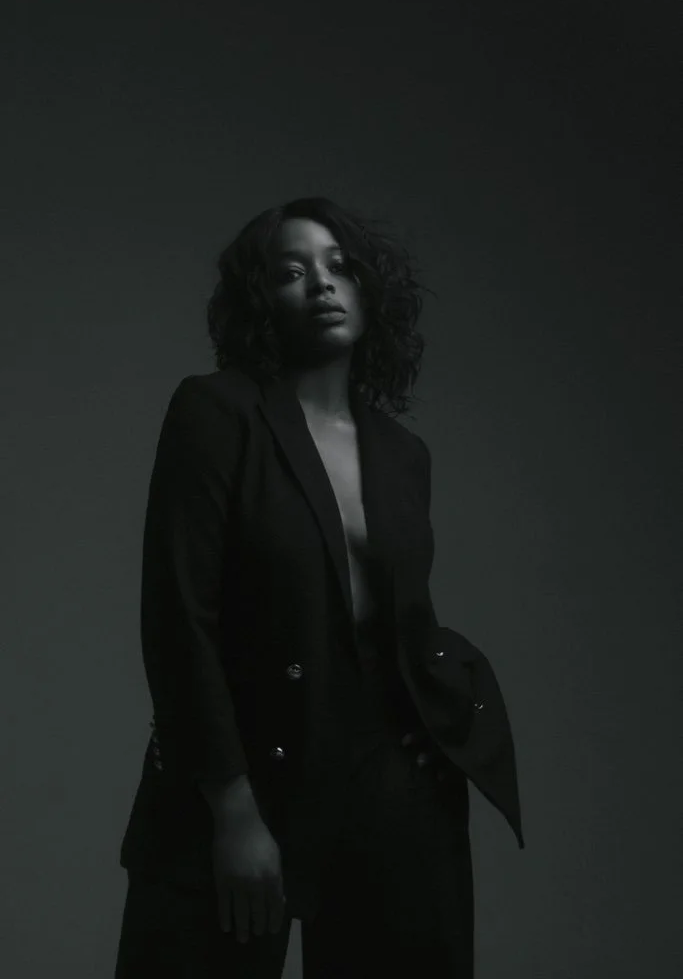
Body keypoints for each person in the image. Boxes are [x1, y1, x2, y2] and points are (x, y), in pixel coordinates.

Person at [114, 196, 523, 978]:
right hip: (243, 772)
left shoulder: (404, 455)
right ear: (259, 300)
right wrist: (231, 808)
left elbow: (397, 621)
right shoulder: (215, 412)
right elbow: (178, 618)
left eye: (340, 267)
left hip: (388, 781)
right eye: (291, 271)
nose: (322, 285)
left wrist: (442, 712)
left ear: (371, 291)